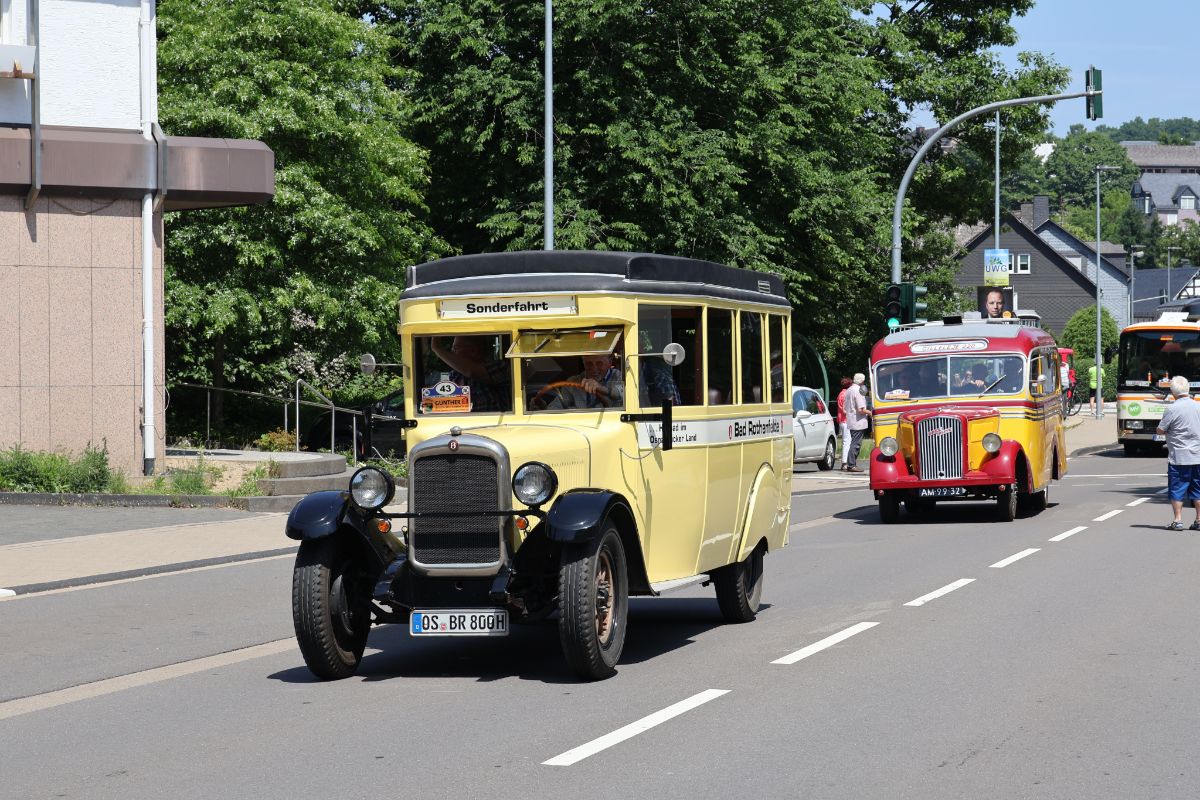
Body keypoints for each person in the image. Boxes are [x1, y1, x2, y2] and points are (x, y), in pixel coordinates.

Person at [1156, 375, 1200, 530]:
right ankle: (1199, 520)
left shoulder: (1172, 409)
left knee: (1177, 489)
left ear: (1173, 392)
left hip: (1179, 458)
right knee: (1198, 489)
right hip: (1198, 456)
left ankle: (1178, 520)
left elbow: (1161, 429)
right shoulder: (1198, 407)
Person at [430, 335, 511, 412]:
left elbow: (471, 372)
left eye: (455, 348)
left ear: (473, 351)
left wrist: (437, 349)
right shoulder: (455, 375)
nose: (452, 352)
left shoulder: (499, 367)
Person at [545, 352, 625, 409]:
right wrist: (542, 408)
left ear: (609, 362)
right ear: (583, 363)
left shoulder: (619, 377)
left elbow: (621, 394)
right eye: (589, 363)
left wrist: (600, 388)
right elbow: (556, 407)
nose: (594, 369)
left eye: (599, 363)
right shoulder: (573, 382)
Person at [843, 373, 871, 473]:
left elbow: (845, 407)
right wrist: (871, 413)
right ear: (862, 381)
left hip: (851, 420)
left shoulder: (849, 390)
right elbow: (861, 409)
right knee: (856, 444)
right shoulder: (858, 391)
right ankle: (851, 465)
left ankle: (851, 463)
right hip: (858, 421)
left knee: (853, 442)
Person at [835, 376, 852, 468]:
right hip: (846, 420)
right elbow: (845, 410)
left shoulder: (840, 394)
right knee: (847, 441)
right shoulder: (847, 395)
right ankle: (845, 462)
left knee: (845, 441)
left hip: (841, 420)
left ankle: (845, 461)